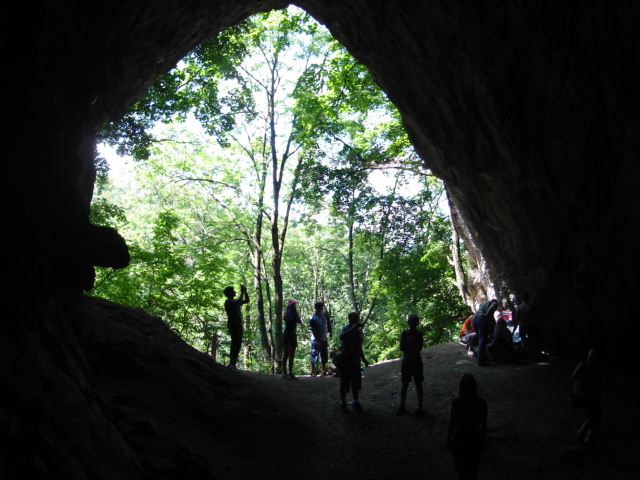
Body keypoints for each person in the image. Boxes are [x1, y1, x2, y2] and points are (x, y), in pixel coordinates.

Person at [447, 373, 488, 480]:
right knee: (473, 472)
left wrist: (448, 440)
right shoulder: (481, 403)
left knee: (462, 473)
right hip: (475, 438)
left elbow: (452, 423)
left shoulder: (456, 403)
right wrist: (483, 441)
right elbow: (483, 425)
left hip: (459, 439)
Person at [572, 348, 608, 447]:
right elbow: (574, 377)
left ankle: (582, 434)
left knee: (593, 417)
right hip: (585, 395)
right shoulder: (583, 366)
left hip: (593, 395)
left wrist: (605, 394)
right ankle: (587, 438)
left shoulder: (596, 368)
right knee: (594, 417)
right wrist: (584, 374)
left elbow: (600, 382)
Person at [338, 311, 369, 413]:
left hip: (355, 360)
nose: (356, 320)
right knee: (344, 382)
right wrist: (353, 328)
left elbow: (359, 346)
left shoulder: (358, 331)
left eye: (357, 318)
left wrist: (363, 359)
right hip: (346, 359)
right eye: (354, 318)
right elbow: (341, 337)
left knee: (355, 382)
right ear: (349, 319)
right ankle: (343, 402)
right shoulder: (346, 328)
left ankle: (355, 401)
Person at [397, 314, 425, 415]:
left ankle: (403, 406)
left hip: (408, 360)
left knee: (407, 384)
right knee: (416, 384)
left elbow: (404, 347)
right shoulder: (417, 334)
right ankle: (418, 407)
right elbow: (416, 347)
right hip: (414, 360)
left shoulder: (406, 333)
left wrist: (409, 347)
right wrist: (413, 347)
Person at [223, 284, 250, 371]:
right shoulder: (229, 302)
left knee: (237, 344)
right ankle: (232, 364)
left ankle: (232, 364)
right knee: (235, 343)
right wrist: (242, 292)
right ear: (230, 293)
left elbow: (247, 300)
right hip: (234, 324)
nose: (235, 292)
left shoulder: (234, 301)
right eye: (233, 291)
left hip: (237, 325)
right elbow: (239, 301)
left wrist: (245, 292)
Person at [472, 299, 499, 366]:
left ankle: (483, 357)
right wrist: (486, 315)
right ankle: (481, 361)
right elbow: (493, 307)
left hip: (475, 319)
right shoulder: (494, 303)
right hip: (481, 319)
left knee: (481, 339)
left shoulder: (484, 304)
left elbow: (491, 319)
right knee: (483, 340)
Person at [309, 302, 332, 376]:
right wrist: (318, 341)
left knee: (324, 355)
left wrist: (331, 332)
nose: (321, 309)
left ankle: (323, 370)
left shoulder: (325, 314)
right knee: (314, 354)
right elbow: (313, 330)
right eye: (319, 308)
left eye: (322, 308)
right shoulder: (313, 318)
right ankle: (313, 371)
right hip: (315, 340)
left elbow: (328, 323)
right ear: (316, 308)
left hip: (324, 338)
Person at [282, 298, 302, 379]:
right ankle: (284, 373)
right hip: (287, 334)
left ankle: (290, 372)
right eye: (292, 304)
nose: (293, 306)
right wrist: (288, 309)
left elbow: (299, 321)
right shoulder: (287, 312)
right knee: (286, 353)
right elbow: (285, 319)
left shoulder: (294, 313)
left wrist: (295, 311)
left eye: (294, 304)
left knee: (292, 354)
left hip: (293, 334)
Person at [513, 292, 534, 362]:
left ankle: (524, 358)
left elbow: (517, 318)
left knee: (523, 341)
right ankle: (532, 356)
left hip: (522, 325)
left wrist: (514, 328)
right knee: (531, 340)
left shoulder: (519, 307)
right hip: (530, 324)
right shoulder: (531, 307)